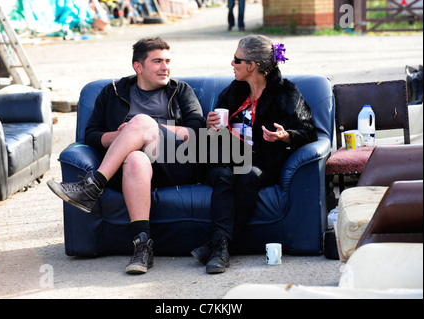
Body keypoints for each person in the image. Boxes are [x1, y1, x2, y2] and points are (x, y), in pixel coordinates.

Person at [47, 37, 205, 275]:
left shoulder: (180, 90)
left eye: (168, 61)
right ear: (138, 67)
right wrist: (123, 136)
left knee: (141, 122)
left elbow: (195, 131)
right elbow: (90, 136)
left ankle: (93, 186)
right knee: (135, 159)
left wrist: (147, 129)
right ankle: (143, 246)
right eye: (157, 61)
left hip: (174, 164)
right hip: (130, 172)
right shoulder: (112, 92)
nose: (165, 67)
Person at [192, 35, 318, 274]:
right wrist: (208, 124)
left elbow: (309, 132)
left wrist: (285, 136)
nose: (232, 63)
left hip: (261, 163)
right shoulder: (233, 92)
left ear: (252, 66)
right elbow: (212, 132)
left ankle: (220, 246)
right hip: (226, 159)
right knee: (221, 175)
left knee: (248, 175)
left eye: (236, 60)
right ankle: (222, 246)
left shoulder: (287, 93)